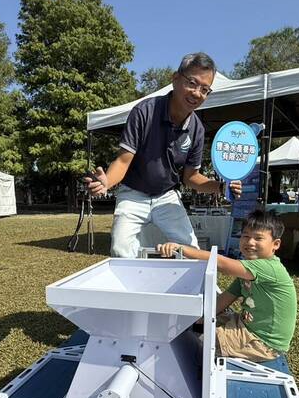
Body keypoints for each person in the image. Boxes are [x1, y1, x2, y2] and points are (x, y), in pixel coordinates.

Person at [85, 53, 242, 257]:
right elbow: (123, 161)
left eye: (205, 90)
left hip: (166, 196)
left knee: (190, 249)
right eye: (192, 83)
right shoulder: (144, 112)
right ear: (175, 79)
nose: (197, 93)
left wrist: (221, 187)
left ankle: (186, 287)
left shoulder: (197, 129)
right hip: (133, 193)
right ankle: (135, 287)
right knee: (120, 250)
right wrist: (106, 182)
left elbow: (191, 177)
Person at [158, 209, 297, 362]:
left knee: (203, 341)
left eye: (258, 238)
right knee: (195, 322)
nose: (250, 242)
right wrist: (202, 318)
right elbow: (226, 298)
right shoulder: (248, 272)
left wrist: (182, 249)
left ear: (275, 244)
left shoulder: (268, 267)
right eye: (246, 236)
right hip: (245, 325)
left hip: (263, 342)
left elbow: (223, 264)